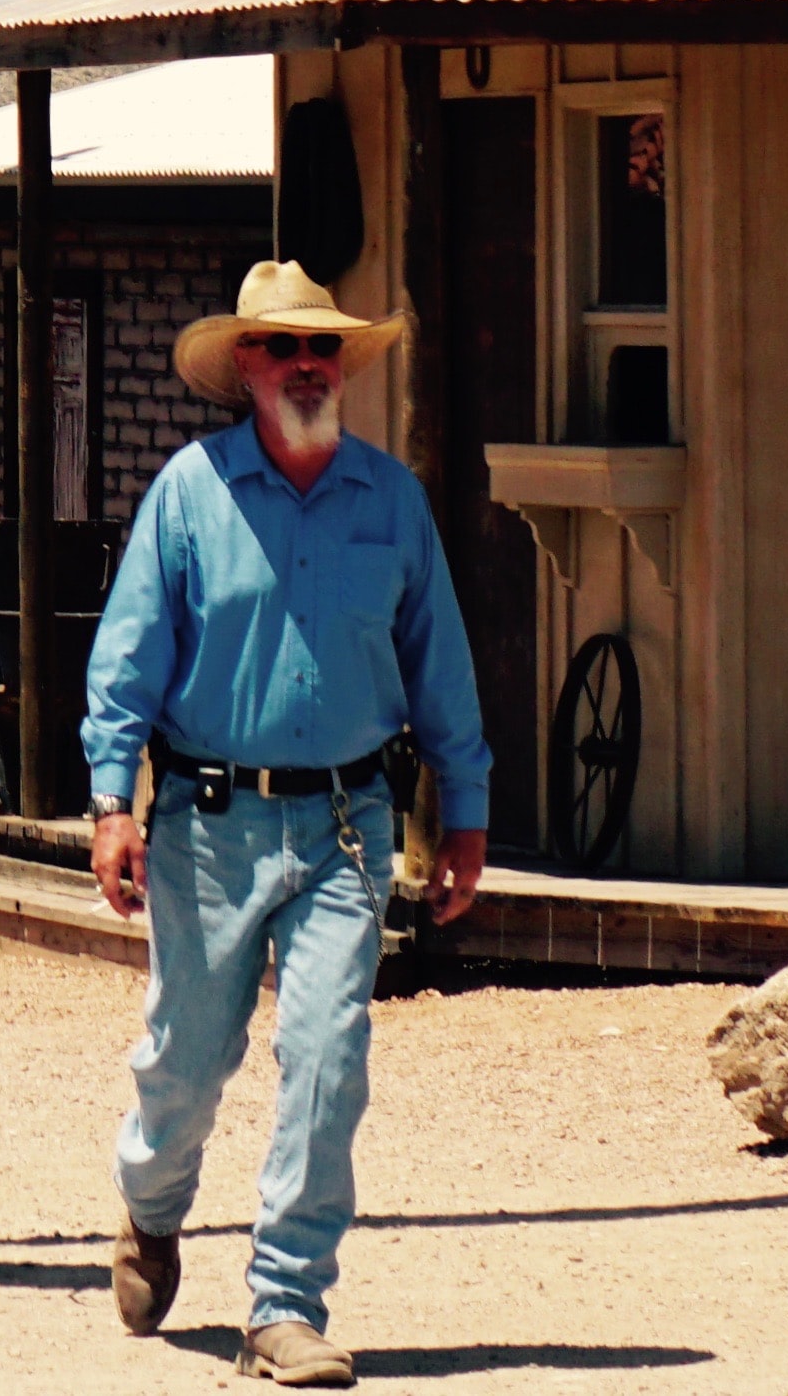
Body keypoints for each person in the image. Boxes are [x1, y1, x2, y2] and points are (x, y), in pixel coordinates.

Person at [78, 259, 490, 1390]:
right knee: (186, 1059)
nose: (306, 364)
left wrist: (465, 809)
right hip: (205, 824)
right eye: (281, 348)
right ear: (246, 368)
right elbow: (125, 660)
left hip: (346, 823)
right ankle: (150, 1206)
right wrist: (113, 800)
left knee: (325, 1053)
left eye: (322, 349)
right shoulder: (188, 491)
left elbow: (439, 665)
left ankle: (284, 1302)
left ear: (340, 366)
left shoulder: (392, 499)